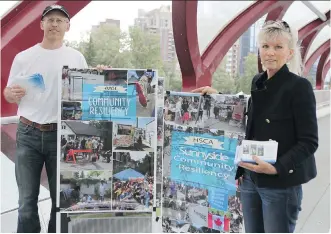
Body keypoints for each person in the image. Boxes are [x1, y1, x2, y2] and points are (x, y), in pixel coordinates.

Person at [192, 20, 318, 233]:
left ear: (289, 53)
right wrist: (220, 98)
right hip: (251, 178)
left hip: (280, 182)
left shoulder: (299, 87)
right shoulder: (258, 81)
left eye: (278, 47)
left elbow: (309, 142)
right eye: (265, 46)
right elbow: (250, 116)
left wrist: (276, 167)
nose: (270, 52)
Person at [3, 5, 88, 233]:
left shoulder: (77, 58)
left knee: (61, 201)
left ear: (67, 26)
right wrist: (10, 94)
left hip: (62, 136)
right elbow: (8, 92)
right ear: (41, 24)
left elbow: (89, 92)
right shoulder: (24, 57)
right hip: (28, 134)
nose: (55, 24)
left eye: (60, 21)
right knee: (26, 203)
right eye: (50, 20)